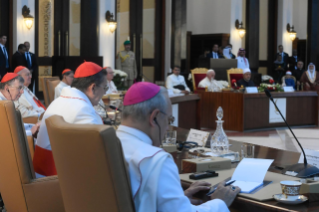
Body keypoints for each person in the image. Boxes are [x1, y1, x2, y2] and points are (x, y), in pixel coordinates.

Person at [117, 82, 240, 212]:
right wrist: (219, 203)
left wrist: (178, 198)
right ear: (154, 118)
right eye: (169, 120)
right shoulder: (157, 160)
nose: (167, 128)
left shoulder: (106, 145)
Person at [33, 61, 107, 178]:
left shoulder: (59, 101)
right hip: (56, 182)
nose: (105, 92)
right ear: (93, 88)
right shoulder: (83, 110)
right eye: (105, 87)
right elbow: (98, 154)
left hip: (48, 173)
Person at [0, 72, 40, 137]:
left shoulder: (7, 101)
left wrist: (34, 126)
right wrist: (30, 132)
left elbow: (15, 125)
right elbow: (6, 133)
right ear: (7, 88)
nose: (22, 91)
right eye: (19, 88)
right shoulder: (1, 104)